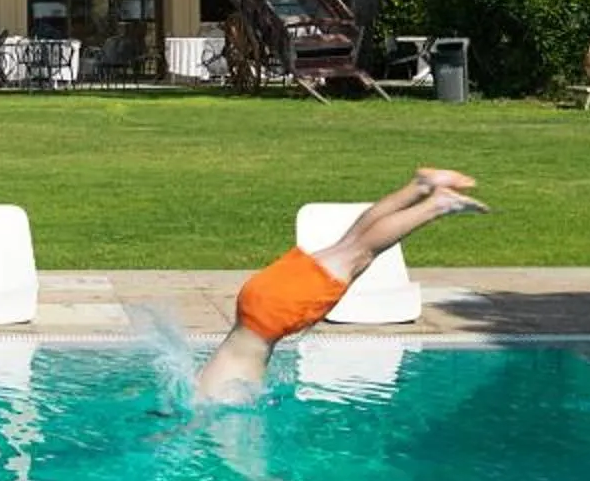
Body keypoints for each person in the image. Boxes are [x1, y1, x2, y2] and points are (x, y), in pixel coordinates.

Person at [193, 169, 488, 404]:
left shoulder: (216, 402)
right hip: (256, 302)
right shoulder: (199, 386)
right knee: (352, 242)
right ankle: (420, 185)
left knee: (363, 251)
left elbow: (238, 440)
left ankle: (437, 204)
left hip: (275, 314)